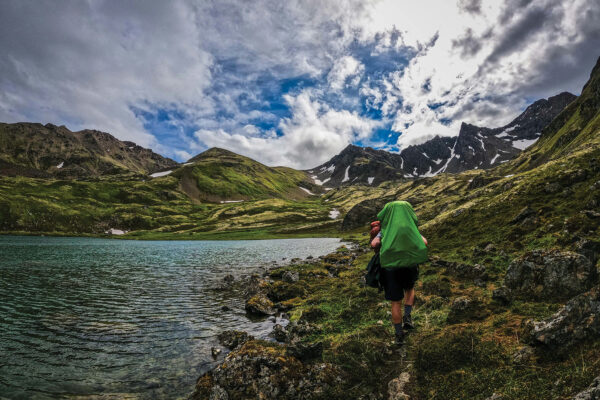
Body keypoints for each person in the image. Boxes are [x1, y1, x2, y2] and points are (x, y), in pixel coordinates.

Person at [370, 201, 428, 346]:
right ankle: (408, 317)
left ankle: (398, 336)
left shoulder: (386, 229)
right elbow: (424, 242)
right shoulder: (410, 228)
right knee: (409, 288)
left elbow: (374, 244)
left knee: (395, 301)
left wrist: (380, 240)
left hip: (390, 269)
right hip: (409, 265)